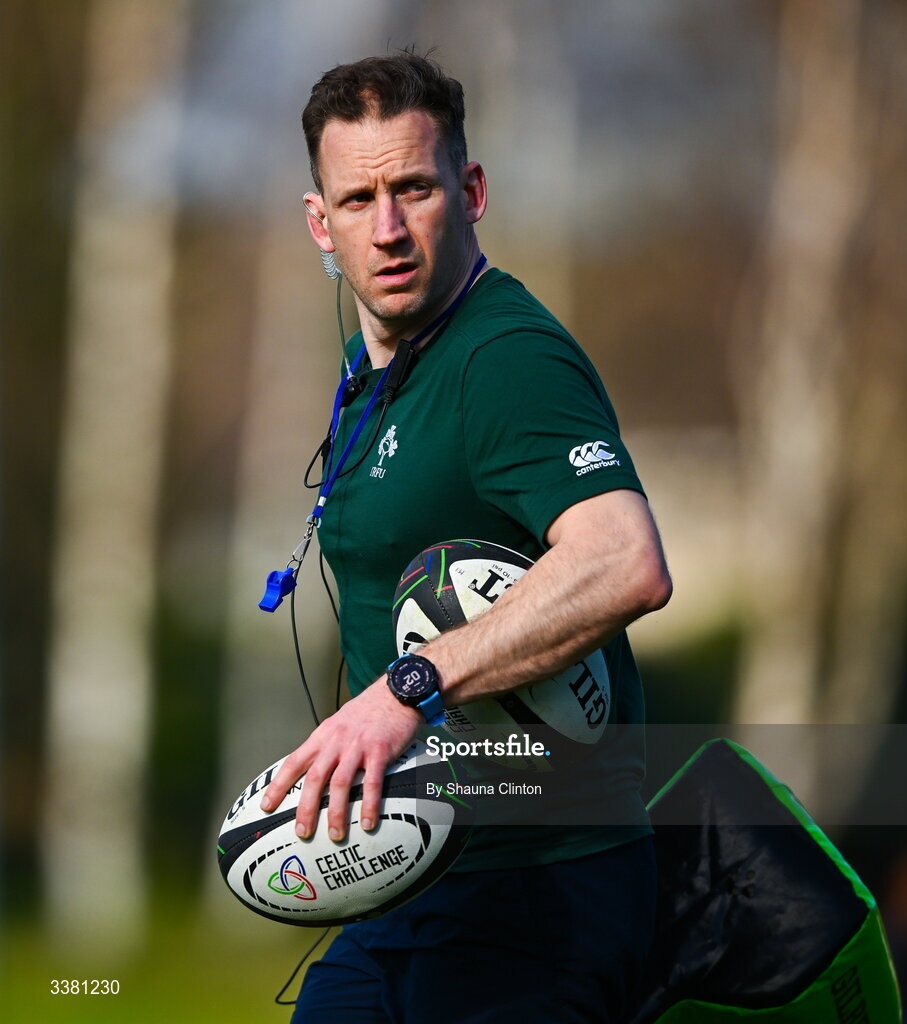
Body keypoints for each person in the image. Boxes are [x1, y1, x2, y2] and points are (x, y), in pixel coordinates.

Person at [261, 51, 673, 1023]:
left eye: (414, 187)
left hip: (537, 897)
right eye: (358, 200)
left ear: (470, 189)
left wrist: (409, 688)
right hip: (412, 881)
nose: (389, 229)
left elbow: (625, 559)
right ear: (320, 223)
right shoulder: (383, 362)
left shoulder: (503, 358)